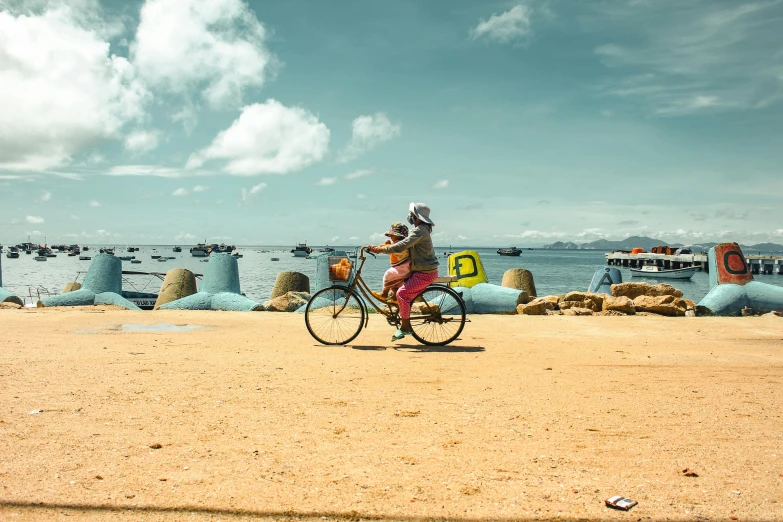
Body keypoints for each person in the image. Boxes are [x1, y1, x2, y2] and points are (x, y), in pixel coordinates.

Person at [369, 202, 439, 341]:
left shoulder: (419, 230)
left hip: (425, 273)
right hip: (422, 270)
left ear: (417, 217)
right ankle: (397, 307)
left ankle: (405, 327)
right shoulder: (422, 229)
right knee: (396, 283)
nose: (410, 217)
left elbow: (402, 245)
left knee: (402, 294)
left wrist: (381, 249)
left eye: (412, 215)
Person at [370, 223, 411, 302]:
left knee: (388, 275)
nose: (391, 237)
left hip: (403, 267)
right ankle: (396, 299)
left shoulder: (400, 245)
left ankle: (384, 293)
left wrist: (379, 248)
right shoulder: (399, 243)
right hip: (403, 267)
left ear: (399, 236)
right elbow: (390, 247)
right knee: (393, 284)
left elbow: (391, 248)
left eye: (392, 235)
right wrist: (383, 246)